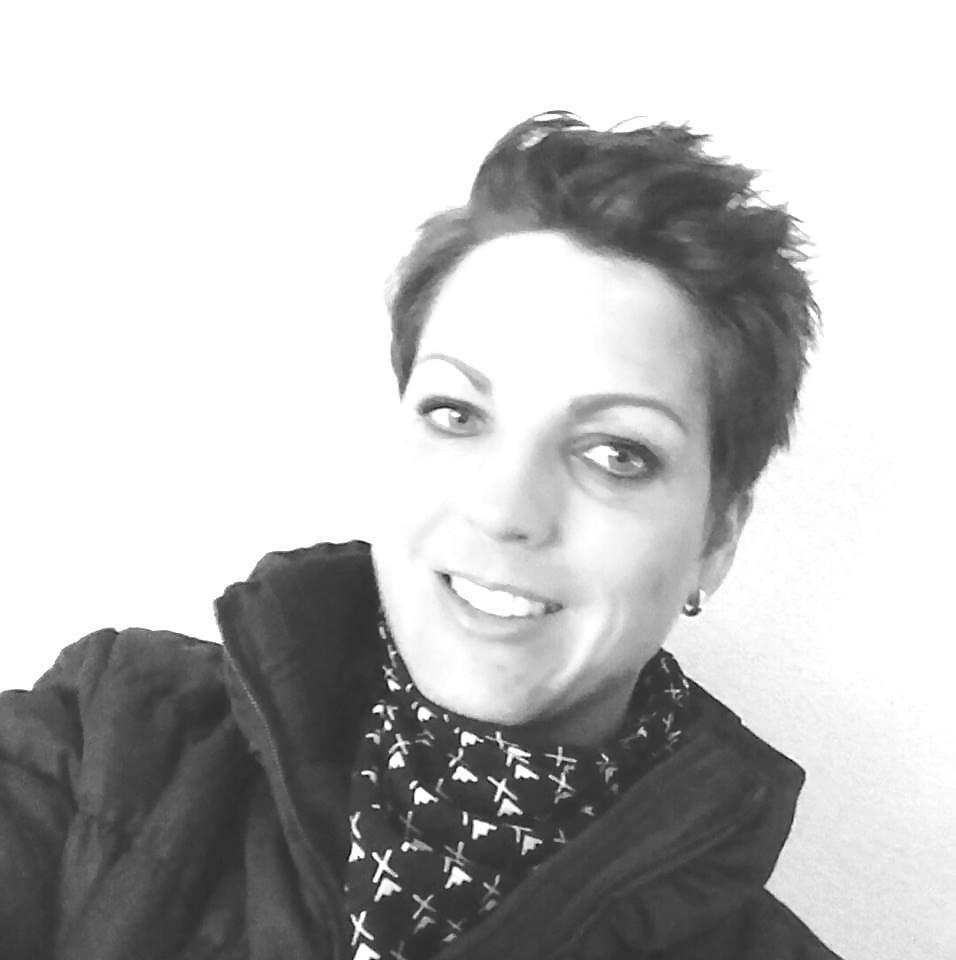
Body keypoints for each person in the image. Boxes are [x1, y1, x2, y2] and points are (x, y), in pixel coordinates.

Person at [0, 111, 842, 959]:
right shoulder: (105, 739)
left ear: (715, 539)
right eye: (456, 413)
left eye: (617, 453)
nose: (504, 510)